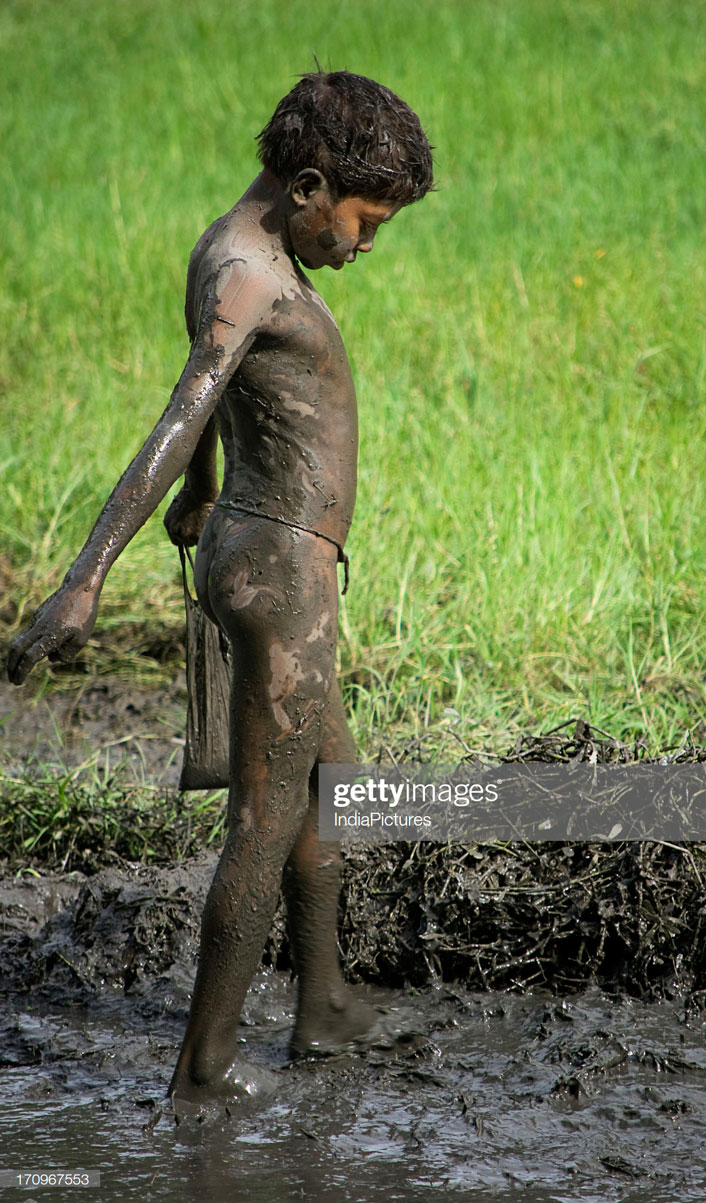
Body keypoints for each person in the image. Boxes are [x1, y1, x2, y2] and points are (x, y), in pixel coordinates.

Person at [7, 70, 434, 1101]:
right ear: (305, 184)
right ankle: (203, 1071)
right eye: (362, 220)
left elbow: (221, 406)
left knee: (330, 789)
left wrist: (201, 490)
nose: (365, 244)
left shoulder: (241, 249)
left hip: (270, 549)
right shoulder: (252, 276)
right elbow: (177, 415)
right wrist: (84, 579)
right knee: (263, 820)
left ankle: (324, 1006)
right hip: (281, 576)